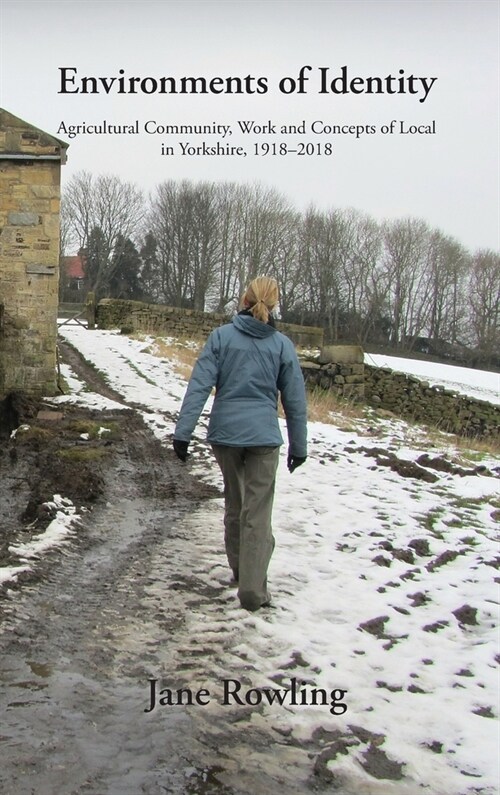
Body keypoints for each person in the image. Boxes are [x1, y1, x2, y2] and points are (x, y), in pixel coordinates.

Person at [172, 276, 307, 612]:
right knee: (257, 514)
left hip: (226, 435)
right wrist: (298, 446)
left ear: (244, 299)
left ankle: (239, 570)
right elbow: (295, 401)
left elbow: (199, 385)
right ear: (273, 305)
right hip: (263, 437)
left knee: (235, 504)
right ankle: (252, 589)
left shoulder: (221, 338)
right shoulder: (281, 346)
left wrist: (183, 432)